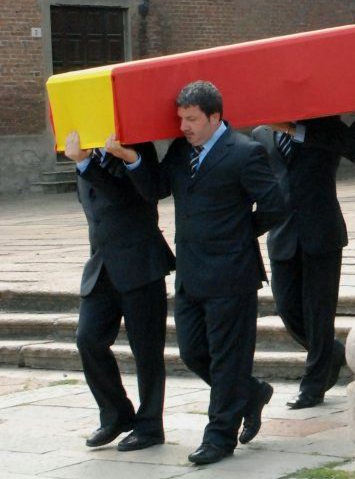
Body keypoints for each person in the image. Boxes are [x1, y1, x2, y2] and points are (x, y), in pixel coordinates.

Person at [116, 80, 287, 465]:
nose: (185, 127)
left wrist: (241, 233)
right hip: (190, 272)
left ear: (215, 116)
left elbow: (276, 204)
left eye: (192, 119)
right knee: (193, 352)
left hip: (231, 273)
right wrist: (130, 158)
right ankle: (251, 392)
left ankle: (219, 437)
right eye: (181, 119)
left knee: (228, 358)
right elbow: (156, 188)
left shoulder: (245, 152)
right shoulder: (180, 150)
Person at [250, 112, 355, 410]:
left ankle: (313, 385)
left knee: (319, 313)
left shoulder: (324, 125)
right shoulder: (260, 134)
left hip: (321, 231)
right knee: (287, 307)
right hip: (282, 234)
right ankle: (332, 352)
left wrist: (293, 128)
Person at [63, 132, 173, 452]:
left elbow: (134, 196)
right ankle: (116, 414)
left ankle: (150, 426)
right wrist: (83, 161)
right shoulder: (84, 154)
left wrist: (87, 162)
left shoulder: (136, 148)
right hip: (101, 268)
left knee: (147, 352)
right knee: (88, 339)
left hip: (141, 264)